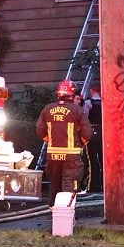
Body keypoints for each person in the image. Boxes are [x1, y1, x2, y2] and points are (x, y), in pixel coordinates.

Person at [36, 79, 92, 207]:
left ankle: (53, 211)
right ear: (72, 95)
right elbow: (87, 133)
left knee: (54, 183)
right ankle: (66, 213)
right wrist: (80, 143)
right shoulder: (77, 110)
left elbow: (40, 130)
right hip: (71, 156)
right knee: (70, 183)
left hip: (53, 155)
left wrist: (49, 140)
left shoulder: (47, 109)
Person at [82, 81, 103, 193]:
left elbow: (84, 118)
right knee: (103, 160)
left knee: (92, 159)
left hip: (91, 132)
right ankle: (104, 185)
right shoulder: (104, 103)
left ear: (91, 90)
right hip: (103, 133)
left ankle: (92, 186)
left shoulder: (88, 103)